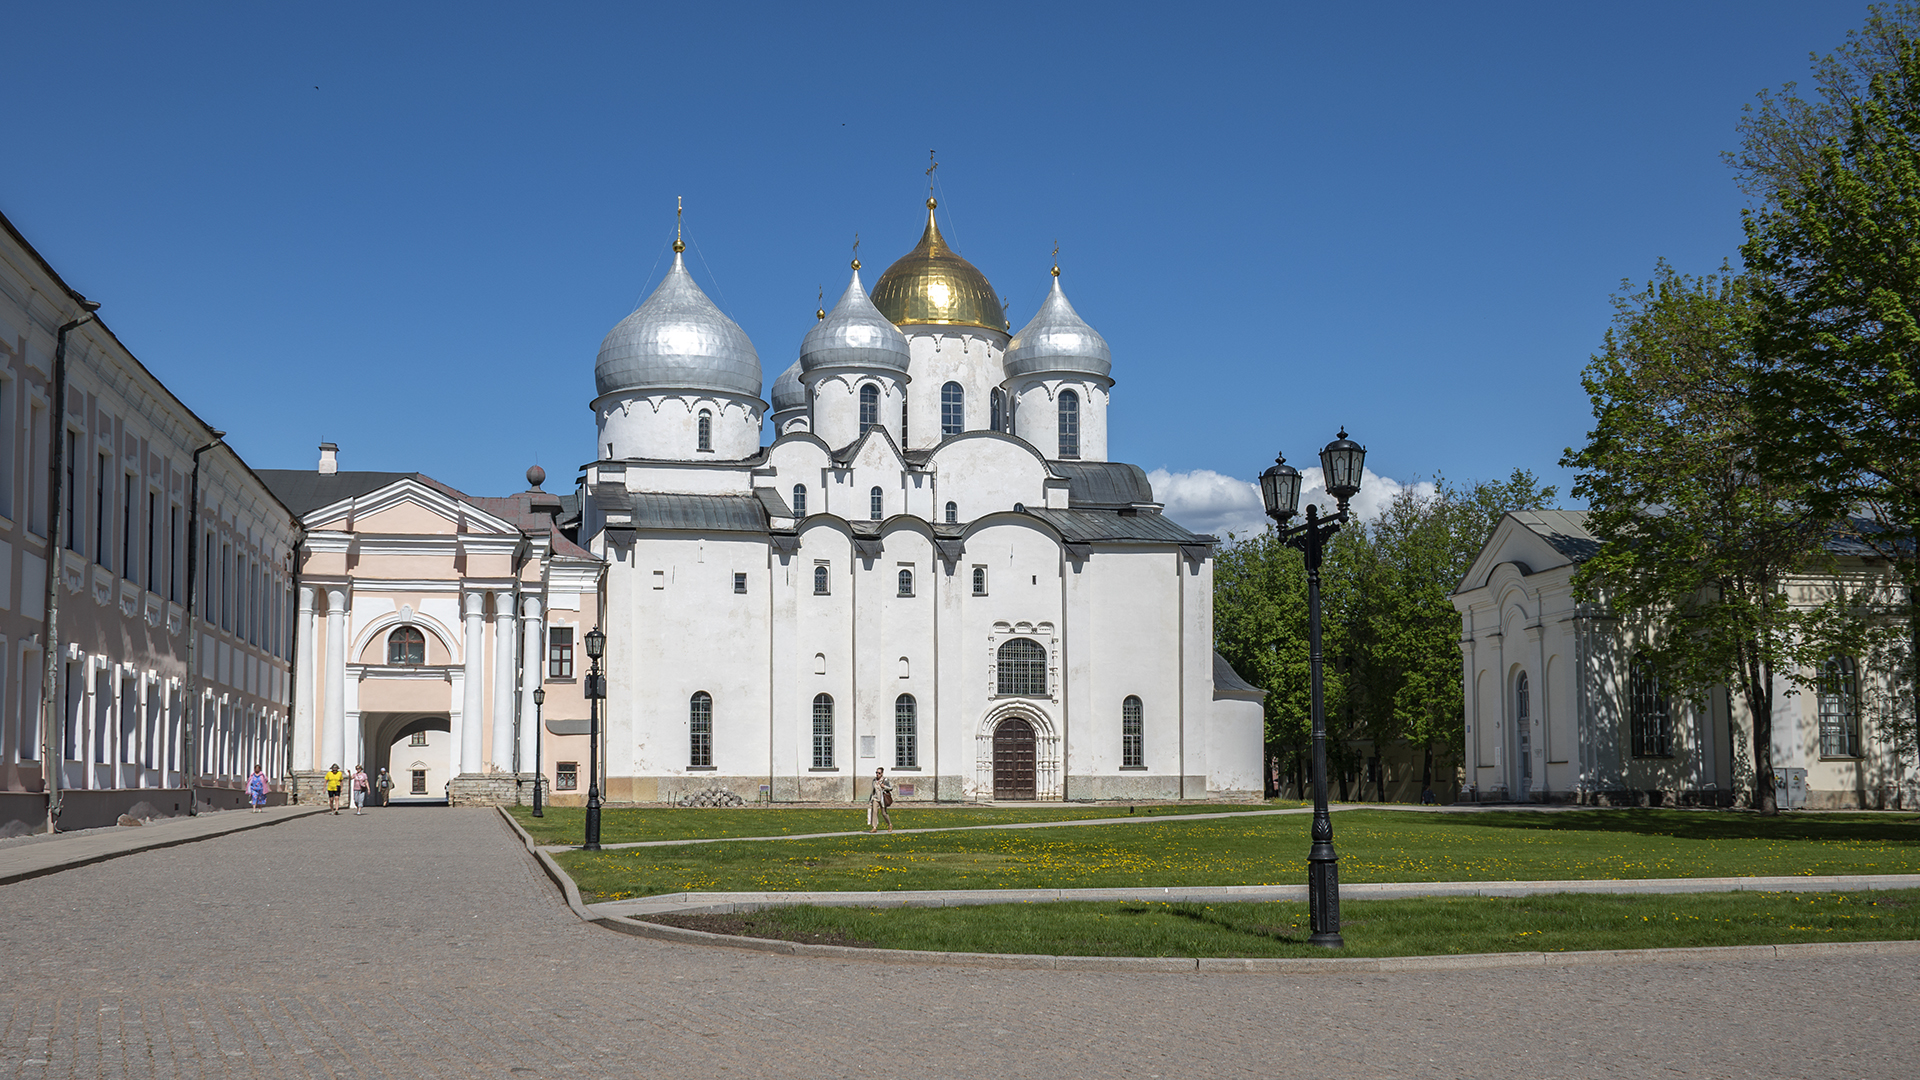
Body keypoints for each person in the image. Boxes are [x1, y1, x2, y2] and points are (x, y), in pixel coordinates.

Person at [867, 766, 894, 833]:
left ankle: (890, 824)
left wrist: (884, 786)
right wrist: (871, 799)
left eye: (879, 773)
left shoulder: (885, 780)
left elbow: (891, 788)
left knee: (884, 813)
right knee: (874, 812)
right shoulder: (874, 780)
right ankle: (874, 827)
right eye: (876, 772)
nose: (877, 774)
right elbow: (873, 790)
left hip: (882, 799)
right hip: (875, 798)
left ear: (882, 774)